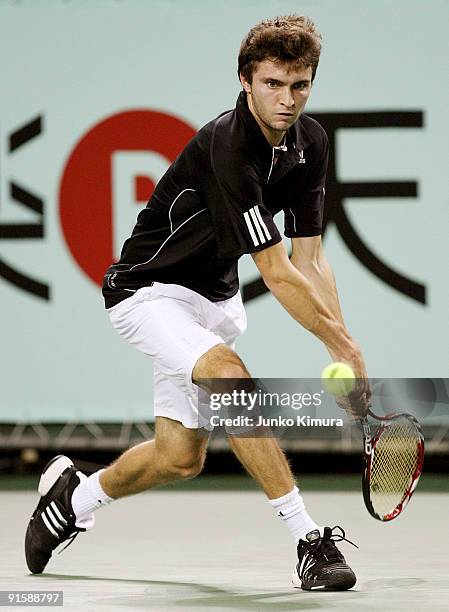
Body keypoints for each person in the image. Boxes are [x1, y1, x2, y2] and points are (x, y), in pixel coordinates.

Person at [25, 14, 371, 591]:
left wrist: (346, 341)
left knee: (179, 457)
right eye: (273, 84)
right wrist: (344, 346)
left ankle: (73, 499)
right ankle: (309, 541)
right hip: (147, 292)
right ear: (245, 81)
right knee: (232, 381)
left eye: (300, 84)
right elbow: (277, 271)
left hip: (213, 302)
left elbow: (311, 257)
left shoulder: (310, 143)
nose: (288, 99)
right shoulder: (228, 146)